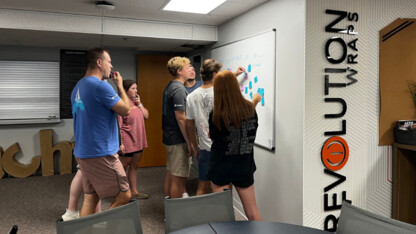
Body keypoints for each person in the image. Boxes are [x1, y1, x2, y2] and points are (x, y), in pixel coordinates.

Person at [71, 47, 132, 217]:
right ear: (99, 63)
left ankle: (86, 229)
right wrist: (120, 86)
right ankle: (106, 227)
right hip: (101, 153)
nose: (111, 66)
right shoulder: (99, 86)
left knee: (91, 198)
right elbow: (125, 110)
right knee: (124, 194)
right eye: (109, 62)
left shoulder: (79, 86)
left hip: (83, 152)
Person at [186, 59, 259, 196]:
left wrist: (195, 146)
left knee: (202, 186)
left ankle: (198, 217)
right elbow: (242, 111)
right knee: (226, 190)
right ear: (214, 74)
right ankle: (226, 215)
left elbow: (189, 124)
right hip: (222, 148)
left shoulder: (191, 96)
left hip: (204, 147)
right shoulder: (223, 93)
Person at [207, 70, 262, 221]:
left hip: (221, 166)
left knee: (223, 215)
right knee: (252, 212)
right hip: (243, 165)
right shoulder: (250, 109)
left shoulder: (216, 114)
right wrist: (255, 100)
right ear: (236, 87)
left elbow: (214, 138)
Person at [162, 56, 195, 199]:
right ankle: (174, 218)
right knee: (178, 178)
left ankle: (169, 213)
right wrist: (190, 142)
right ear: (180, 71)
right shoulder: (179, 89)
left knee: (171, 173)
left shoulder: (170, 85)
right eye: (188, 67)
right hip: (178, 139)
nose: (191, 69)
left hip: (170, 137)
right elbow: (181, 118)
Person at [118, 80, 149, 200]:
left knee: (134, 166)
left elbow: (146, 115)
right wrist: (120, 143)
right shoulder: (121, 105)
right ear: (125, 91)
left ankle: (134, 191)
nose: (136, 91)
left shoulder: (136, 103)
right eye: (133, 89)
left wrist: (140, 103)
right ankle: (121, 193)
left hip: (138, 141)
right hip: (127, 141)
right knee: (122, 168)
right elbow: (118, 126)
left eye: (136, 88)